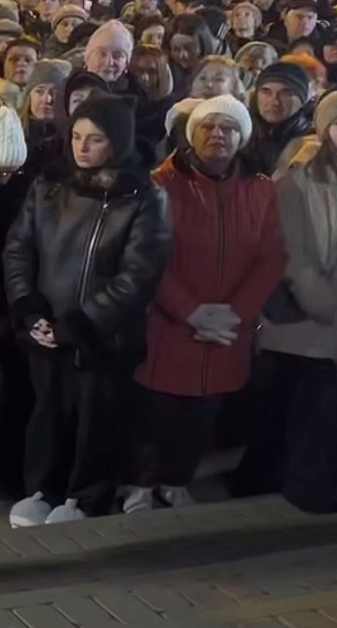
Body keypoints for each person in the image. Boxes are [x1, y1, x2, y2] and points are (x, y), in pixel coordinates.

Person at [3, 94, 171, 526]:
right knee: (47, 414)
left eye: (95, 139)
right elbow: (20, 248)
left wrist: (77, 325)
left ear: (117, 141)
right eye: (76, 136)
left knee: (95, 418)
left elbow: (137, 275)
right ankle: (42, 490)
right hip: (46, 328)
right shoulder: (50, 184)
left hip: (101, 335)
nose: (82, 147)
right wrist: (30, 308)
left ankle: (85, 497)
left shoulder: (142, 195)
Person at [128, 95, 284, 513]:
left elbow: (271, 256)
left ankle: (177, 479)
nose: (218, 134)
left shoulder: (261, 189)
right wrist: (191, 310)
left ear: (242, 137)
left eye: (229, 128)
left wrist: (237, 312)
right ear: (191, 135)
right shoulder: (160, 185)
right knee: (157, 412)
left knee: (203, 413)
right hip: (171, 323)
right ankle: (143, 484)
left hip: (227, 326)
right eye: (208, 126)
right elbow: (148, 256)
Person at [244, 91, 337, 513]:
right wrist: (321, 299)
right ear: (323, 129)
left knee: (321, 406)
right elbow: (290, 248)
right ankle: (266, 484)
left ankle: (306, 492)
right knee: (284, 401)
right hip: (300, 310)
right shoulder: (297, 179)